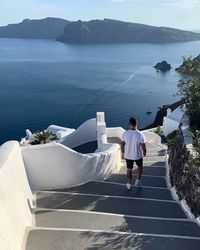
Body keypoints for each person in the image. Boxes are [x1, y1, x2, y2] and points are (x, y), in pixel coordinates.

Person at [121, 117, 146, 190]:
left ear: (129, 124)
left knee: (129, 170)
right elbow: (143, 145)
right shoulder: (140, 134)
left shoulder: (125, 134)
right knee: (140, 167)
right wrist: (144, 152)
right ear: (136, 124)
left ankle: (129, 184)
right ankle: (137, 180)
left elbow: (122, 144)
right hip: (138, 155)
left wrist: (123, 153)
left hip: (128, 156)